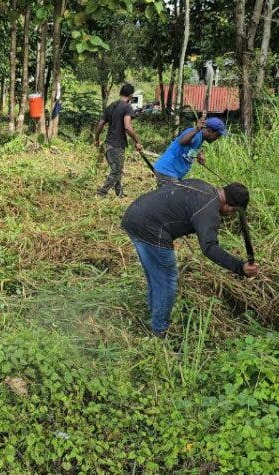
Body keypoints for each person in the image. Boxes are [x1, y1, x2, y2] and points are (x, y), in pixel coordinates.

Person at [120, 180, 258, 337]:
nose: (229, 215)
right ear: (230, 207)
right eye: (232, 212)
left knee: (155, 274)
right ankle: (159, 330)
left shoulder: (203, 186)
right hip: (150, 226)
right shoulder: (209, 210)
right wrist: (240, 267)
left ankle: (154, 316)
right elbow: (209, 248)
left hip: (134, 214)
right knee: (166, 279)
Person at [92, 84, 145, 197]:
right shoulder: (126, 107)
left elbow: (100, 124)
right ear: (130, 96)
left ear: (121, 93)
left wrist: (96, 138)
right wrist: (137, 141)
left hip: (108, 143)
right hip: (117, 145)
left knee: (118, 168)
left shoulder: (111, 106)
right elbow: (128, 127)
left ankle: (119, 193)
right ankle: (101, 193)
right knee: (116, 171)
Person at [152, 117, 226, 188]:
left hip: (172, 173)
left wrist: (197, 155)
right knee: (172, 199)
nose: (217, 138)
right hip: (168, 172)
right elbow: (182, 141)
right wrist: (196, 129)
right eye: (217, 135)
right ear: (209, 130)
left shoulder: (200, 138)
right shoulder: (195, 133)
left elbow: (188, 149)